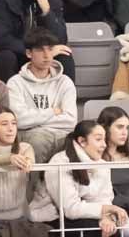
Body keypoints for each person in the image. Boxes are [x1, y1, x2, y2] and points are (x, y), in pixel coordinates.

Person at [28, 120, 129, 237]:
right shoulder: (59, 162)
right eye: (98, 139)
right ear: (82, 141)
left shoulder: (102, 165)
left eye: (104, 139)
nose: (104, 145)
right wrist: (106, 212)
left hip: (82, 218)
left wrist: (107, 218)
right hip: (54, 220)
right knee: (104, 229)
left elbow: (104, 199)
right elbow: (70, 209)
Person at [5, 27, 78, 162]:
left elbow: (71, 120)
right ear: (28, 53)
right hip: (30, 135)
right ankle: (34, 183)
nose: (46, 55)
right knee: (37, 139)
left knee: (80, 141)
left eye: (50, 49)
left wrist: (36, 119)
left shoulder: (65, 82)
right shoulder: (15, 83)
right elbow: (19, 120)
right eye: (40, 50)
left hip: (62, 134)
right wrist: (53, 112)